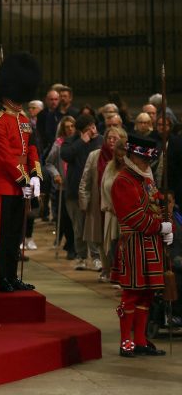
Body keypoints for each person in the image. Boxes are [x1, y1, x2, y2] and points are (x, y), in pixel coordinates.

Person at [111, 134, 171, 358]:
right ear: (132, 157)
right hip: (134, 243)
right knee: (131, 294)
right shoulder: (123, 181)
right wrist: (160, 226)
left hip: (151, 244)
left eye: (148, 161)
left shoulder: (145, 180)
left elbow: (157, 204)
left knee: (146, 294)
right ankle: (125, 340)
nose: (147, 164)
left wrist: (169, 226)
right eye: (143, 160)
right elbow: (134, 217)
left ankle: (140, 340)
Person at [0, 53, 41, 293]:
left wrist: (36, 175)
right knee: (2, 236)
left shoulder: (23, 118)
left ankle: (12, 276)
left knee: (16, 234)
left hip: (22, 184)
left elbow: (31, 149)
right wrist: (24, 179)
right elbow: (6, 157)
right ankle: (1, 277)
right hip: (4, 184)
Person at [80, 125, 127, 282]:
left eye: (116, 138)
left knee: (114, 239)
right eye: (109, 138)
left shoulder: (127, 158)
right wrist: (84, 203)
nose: (112, 141)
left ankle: (115, 270)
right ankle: (106, 269)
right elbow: (85, 180)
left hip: (118, 208)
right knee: (100, 238)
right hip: (98, 203)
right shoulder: (95, 155)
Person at [61, 114, 103, 271]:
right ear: (81, 131)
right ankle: (81, 256)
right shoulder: (72, 141)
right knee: (78, 227)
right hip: (74, 192)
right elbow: (65, 155)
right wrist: (81, 142)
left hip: (95, 191)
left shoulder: (101, 141)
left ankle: (97, 257)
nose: (93, 131)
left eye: (94, 126)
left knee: (93, 226)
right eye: (88, 129)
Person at [45, 115, 77, 259]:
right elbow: (49, 162)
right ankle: (70, 245)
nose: (70, 129)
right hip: (62, 186)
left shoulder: (79, 142)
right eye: (67, 127)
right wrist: (56, 174)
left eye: (72, 126)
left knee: (74, 218)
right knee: (64, 217)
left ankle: (72, 245)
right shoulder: (58, 144)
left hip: (75, 186)